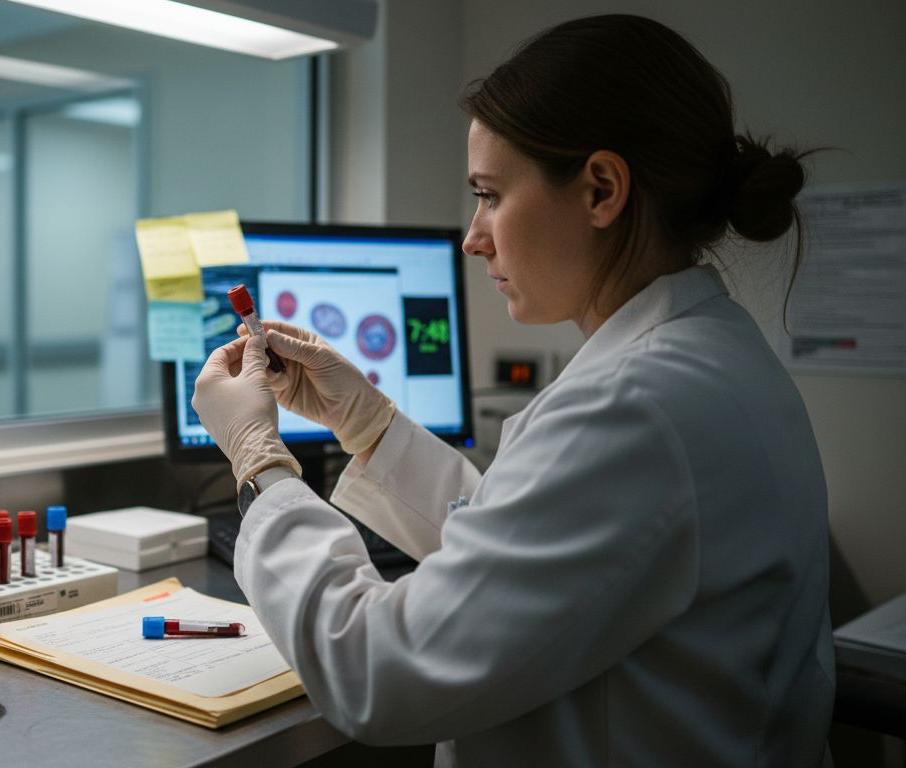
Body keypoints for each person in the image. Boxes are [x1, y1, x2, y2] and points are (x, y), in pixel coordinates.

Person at [191, 13, 833, 768]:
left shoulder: (635, 405)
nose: (473, 235)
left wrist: (260, 466)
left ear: (601, 189)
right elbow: (525, 549)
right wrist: (367, 423)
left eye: (490, 194)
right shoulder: (708, 351)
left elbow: (379, 673)